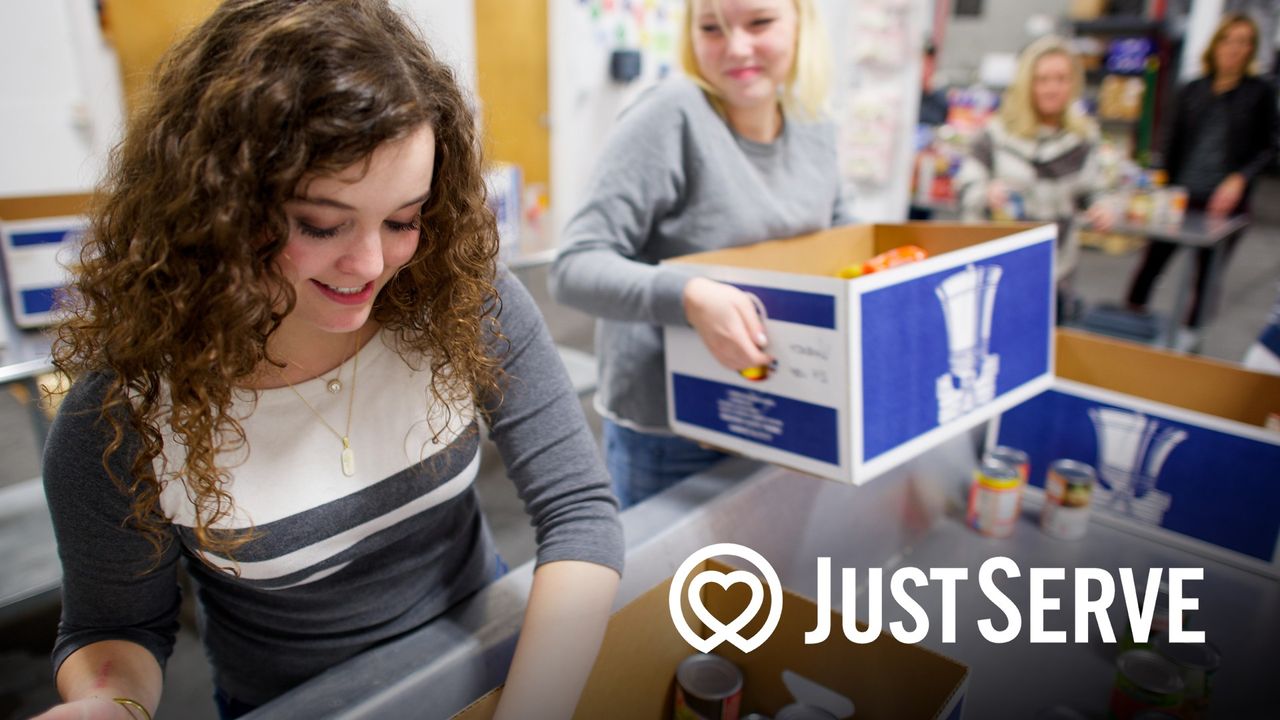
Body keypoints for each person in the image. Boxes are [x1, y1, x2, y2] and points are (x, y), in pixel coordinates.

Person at [34, 2, 622, 719]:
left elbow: (581, 512)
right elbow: (114, 628)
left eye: (403, 219)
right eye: (321, 224)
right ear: (216, 205)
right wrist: (111, 704)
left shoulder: (462, 298)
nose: (370, 264)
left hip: (487, 659)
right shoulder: (120, 414)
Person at [548, 0, 853, 509]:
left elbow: (841, 237)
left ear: (802, 26)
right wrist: (687, 297)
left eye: (759, 22)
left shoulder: (814, 123)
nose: (736, 47)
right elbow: (575, 266)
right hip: (675, 432)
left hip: (788, 405)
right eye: (711, 28)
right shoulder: (670, 114)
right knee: (677, 585)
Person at [1126, 13, 1279, 329]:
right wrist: (1158, 186)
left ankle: (1190, 339)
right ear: (1216, 44)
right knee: (1152, 262)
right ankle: (1129, 320)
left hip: (1223, 201)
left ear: (1251, 49)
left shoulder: (1258, 93)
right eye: (1229, 40)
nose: (1234, 49)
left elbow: (1268, 146)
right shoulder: (1193, 90)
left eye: (1243, 43)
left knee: (1207, 275)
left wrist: (1239, 179)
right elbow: (1170, 140)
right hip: (1182, 194)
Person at [954, 34, 1114, 316]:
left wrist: (1104, 206)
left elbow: (1097, 189)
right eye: (1042, 79)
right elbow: (965, 186)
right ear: (1027, 83)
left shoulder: (1083, 139)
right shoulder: (994, 135)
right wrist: (985, 193)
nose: (1052, 89)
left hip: (1055, 272)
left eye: (1061, 79)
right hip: (995, 272)